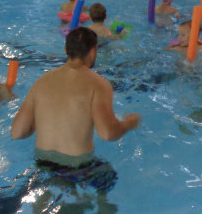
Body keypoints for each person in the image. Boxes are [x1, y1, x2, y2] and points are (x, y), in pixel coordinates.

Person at [10, 27, 140, 165]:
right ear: (93, 51)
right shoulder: (98, 84)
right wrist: (129, 123)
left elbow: (17, 133)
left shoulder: (41, 82)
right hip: (78, 168)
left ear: (66, 50)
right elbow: (108, 134)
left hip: (43, 164)